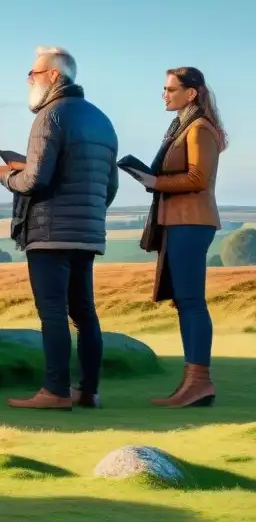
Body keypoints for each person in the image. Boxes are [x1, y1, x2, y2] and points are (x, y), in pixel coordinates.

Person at [0, 46, 119, 410]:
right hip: (87, 232)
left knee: (52, 312)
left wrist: (7, 175)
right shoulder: (102, 120)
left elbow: (35, 182)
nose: (28, 79)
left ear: (54, 75)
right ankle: (88, 391)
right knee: (85, 313)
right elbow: (108, 188)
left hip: (49, 233)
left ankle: (55, 392)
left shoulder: (50, 117)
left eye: (33, 73)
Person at [124, 67, 226, 408]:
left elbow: (198, 178)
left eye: (171, 89)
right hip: (179, 221)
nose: (165, 95)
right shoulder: (182, 127)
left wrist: (156, 183)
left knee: (192, 301)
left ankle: (200, 382)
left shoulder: (199, 129)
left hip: (191, 222)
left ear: (191, 93)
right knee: (185, 301)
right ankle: (192, 383)